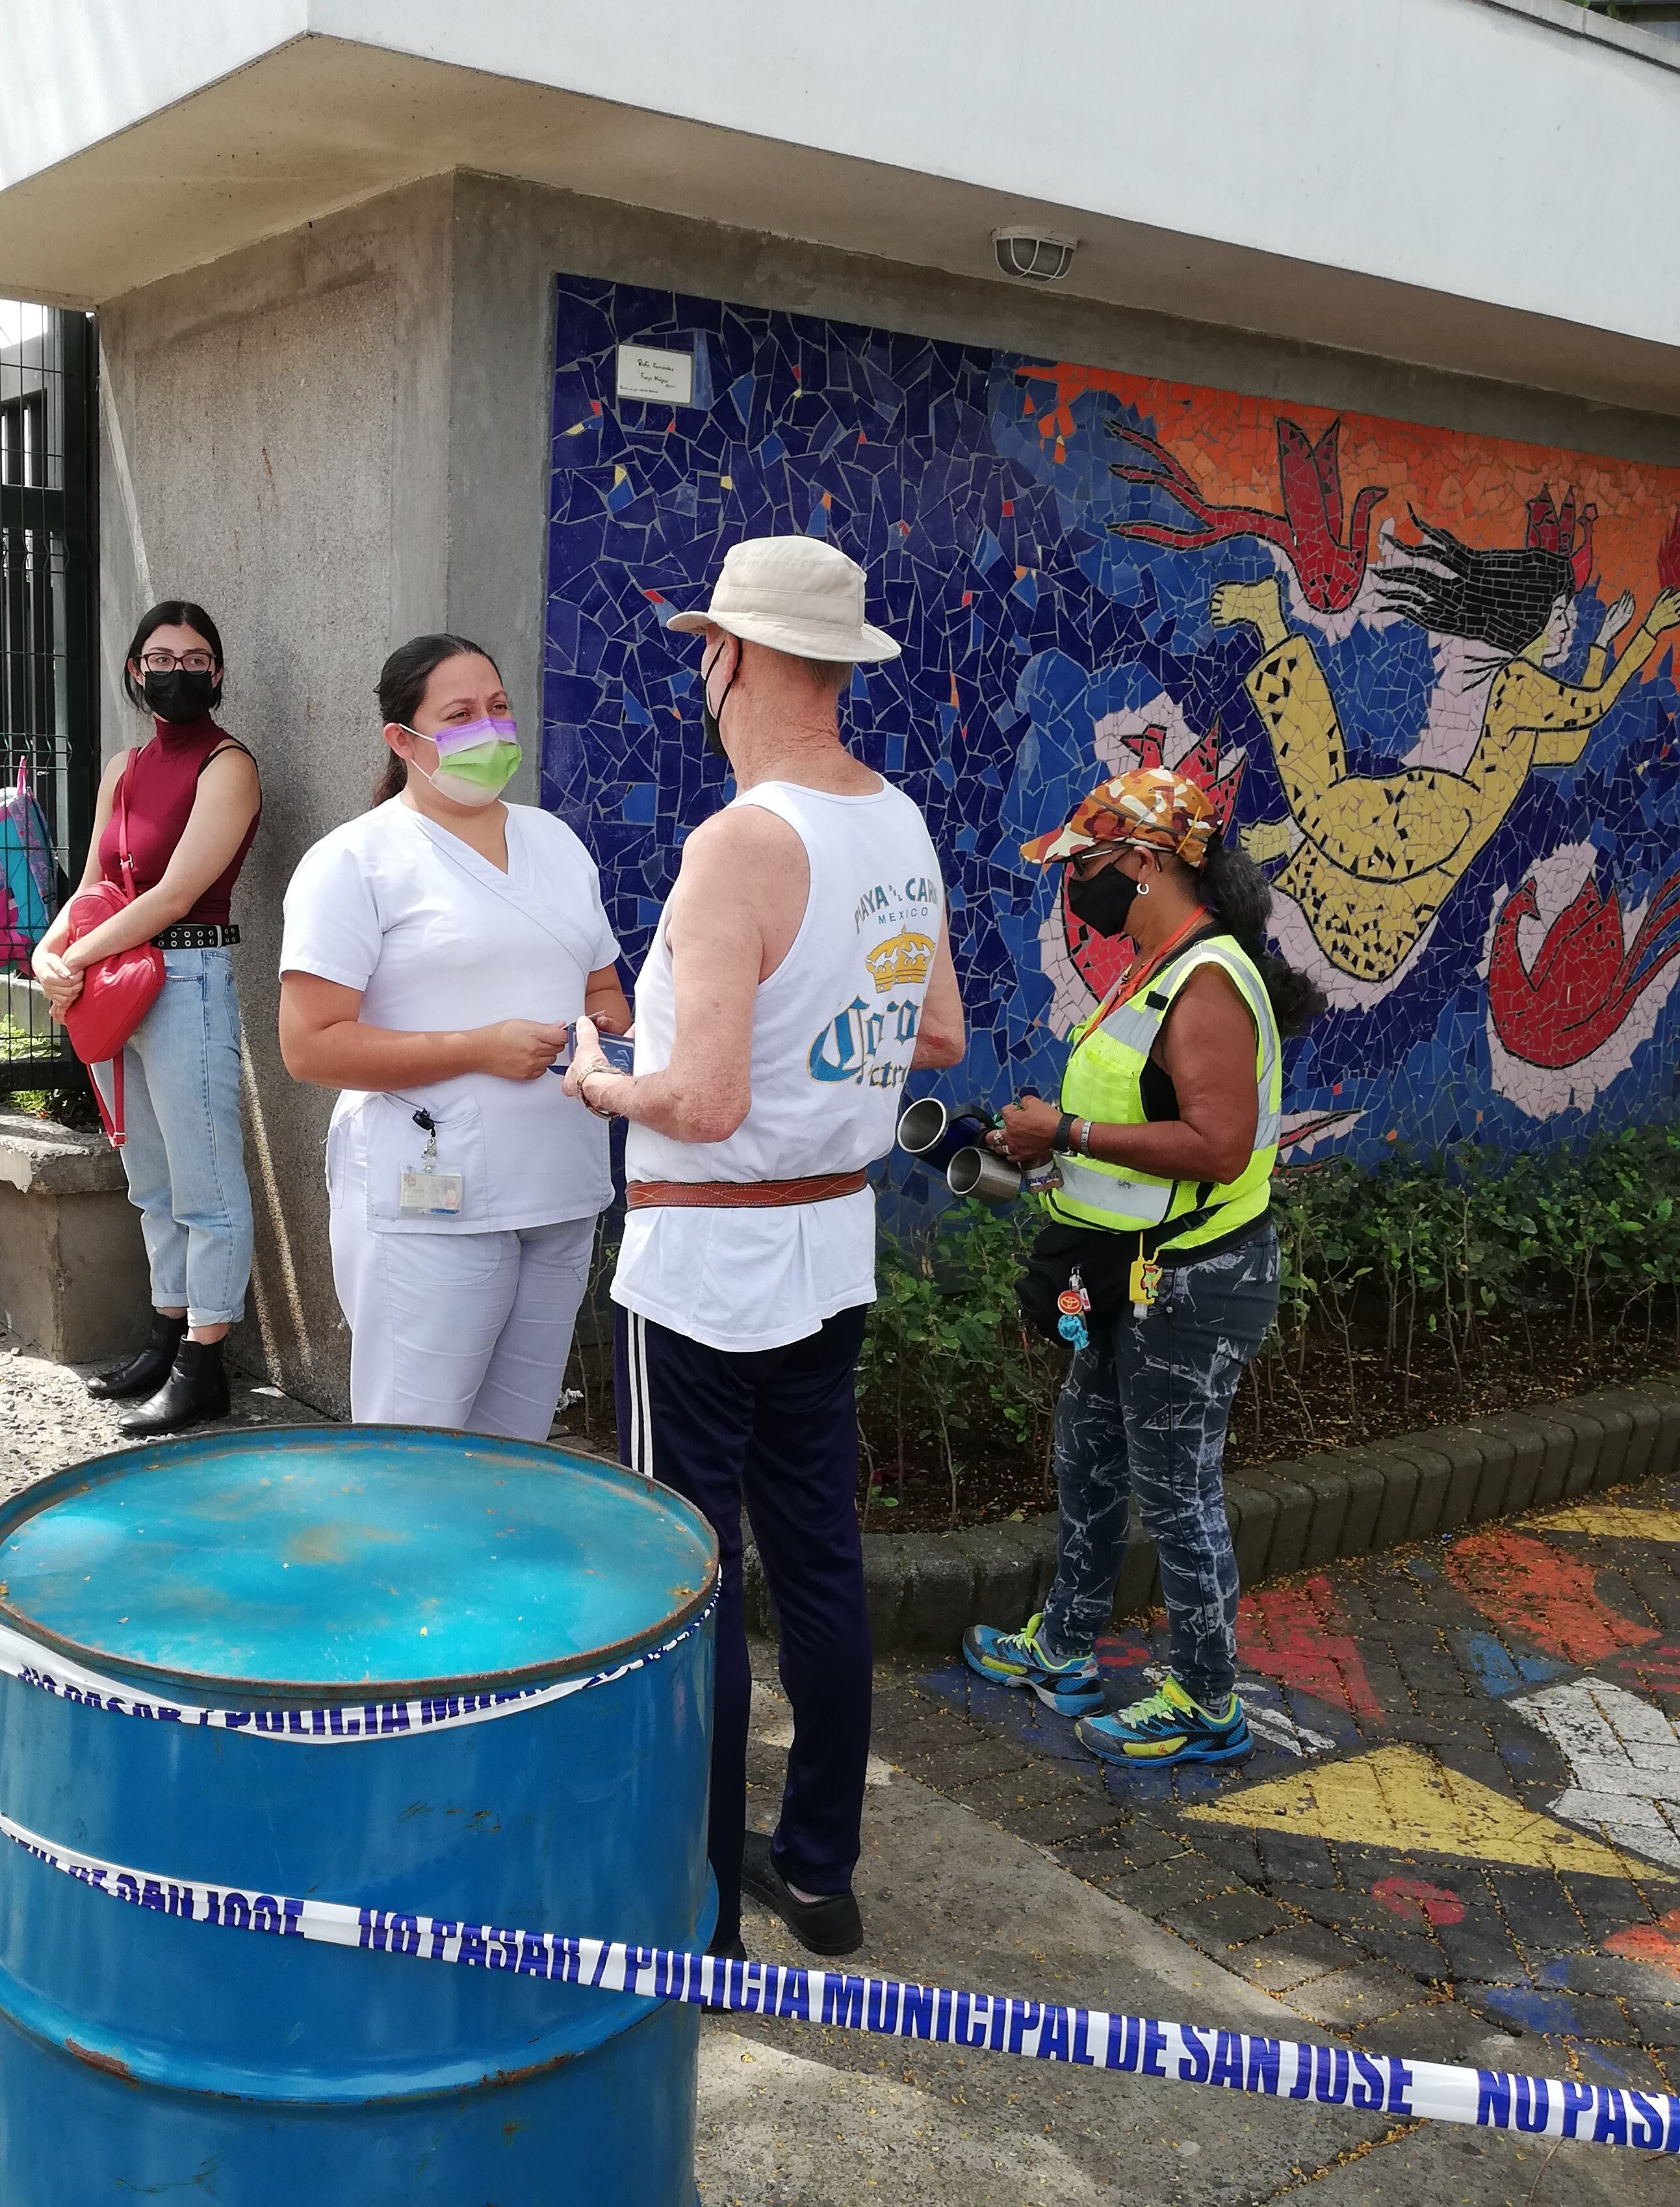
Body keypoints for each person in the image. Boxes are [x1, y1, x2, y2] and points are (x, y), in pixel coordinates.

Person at [562, 536, 964, 1960]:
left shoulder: (740, 841)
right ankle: (819, 1869)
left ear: (733, 654)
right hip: (827, 1250)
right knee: (821, 1567)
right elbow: (939, 1035)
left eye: (705, 648)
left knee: (693, 1579)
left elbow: (706, 1097)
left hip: (701, 1261)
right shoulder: (900, 825)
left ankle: (700, 1908)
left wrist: (603, 1078)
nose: (700, 669)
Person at [963, 768, 1326, 1766]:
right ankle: (1066, 1645)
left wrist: (1069, 1129)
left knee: (1177, 1489)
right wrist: (1047, 1143)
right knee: (1087, 1457)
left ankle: (1210, 1700)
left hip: (1193, 1284)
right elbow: (1144, 1112)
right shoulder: (1155, 964)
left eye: (1086, 866)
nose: (1075, 886)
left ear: (1146, 861)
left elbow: (1218, 1143)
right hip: (1127, 1270)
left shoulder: (1206, 981)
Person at [279, 634, 628, 1438]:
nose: (490, 730)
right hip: (430, 1201)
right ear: (402, 740)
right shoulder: (355, 862)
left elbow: (603, 988)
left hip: (560, 1187)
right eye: (461, 715)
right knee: (417, 1447)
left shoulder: (557, 844)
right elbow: (310, 1046)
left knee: (519, 1445)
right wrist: (479, 1048)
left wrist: (608, 1038)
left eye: (499, 708)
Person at [1215, 530, 1680, 997]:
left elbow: (1573, 745)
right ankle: (1270, 620)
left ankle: (1298, 842)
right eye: (1559, 613)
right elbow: (1594, 706)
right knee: (1322, 799)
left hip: (1458, 833)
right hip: (1447, 812)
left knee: (1373, 938)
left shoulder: (1523, 687)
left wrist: (1600, 647)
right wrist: (1648, 631)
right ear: (1531, 615)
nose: (1568, 626)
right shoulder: (1519, 682)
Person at [34, 601, 262, 1437]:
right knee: (153, 1181)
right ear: (134, 670)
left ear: (219, 673)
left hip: (189, 974)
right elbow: (96, 879)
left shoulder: (228, 765)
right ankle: (166, 1335)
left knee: (205, 1182)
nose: (180, 670)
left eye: (199, 658)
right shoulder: (125, 766)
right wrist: (47, 955)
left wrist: (81, 957)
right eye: (162, 656)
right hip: (115, 979)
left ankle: (206, 1364)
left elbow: (171, 896)